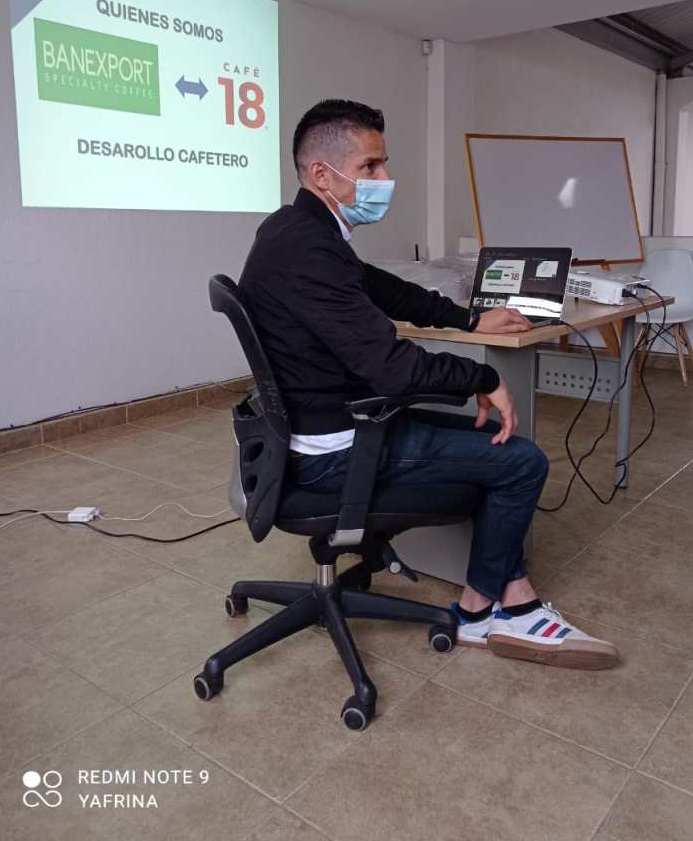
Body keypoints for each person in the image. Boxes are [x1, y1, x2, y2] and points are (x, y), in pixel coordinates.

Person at [239, 99, 618, 670]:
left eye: (383, 163)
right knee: (521, 462)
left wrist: (469, 319)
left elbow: (383, 289)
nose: (386, 178)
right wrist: (483, 375)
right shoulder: (309, 250)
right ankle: (489, 614)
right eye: (370, 166)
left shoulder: (294, 230)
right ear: (322, 174)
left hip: (322, 422)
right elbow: (393, 369)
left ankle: (508, 596)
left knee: (488, 444)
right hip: (332, 451)